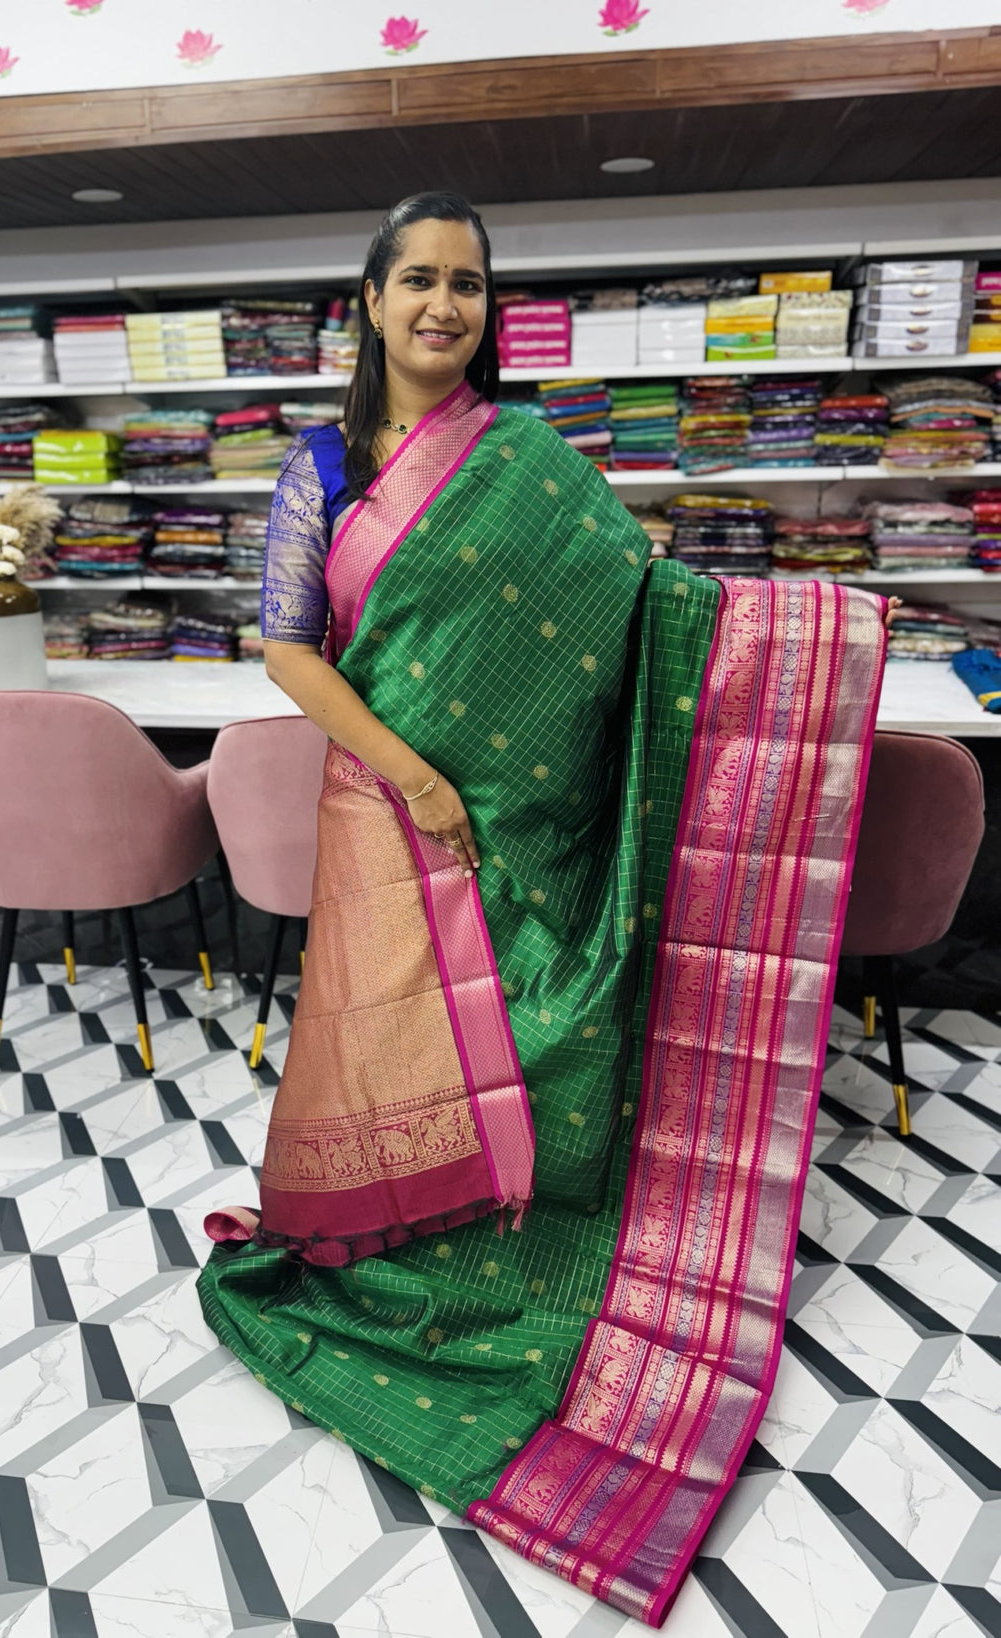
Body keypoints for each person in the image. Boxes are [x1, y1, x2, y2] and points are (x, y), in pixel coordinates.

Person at [198, 192, 892, 1627]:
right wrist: (419, 777)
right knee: (387, 1030)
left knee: (523, 1016)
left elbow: (641, 605)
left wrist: (802, 633)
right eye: (418, 280)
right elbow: (287, 648)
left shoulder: (528, 457)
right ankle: (389, 1231)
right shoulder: (320, 465)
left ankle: (518, 1223)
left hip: (532, 811)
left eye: (467, 284)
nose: (443, 305)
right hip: (389, 804)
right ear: (370, 301)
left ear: (485, 309)